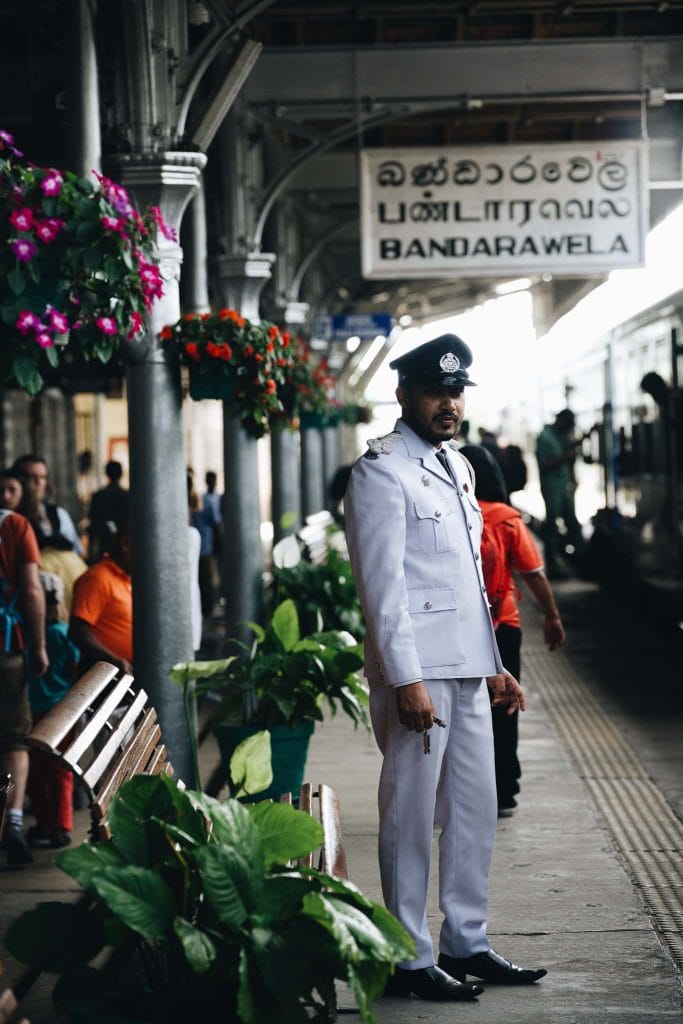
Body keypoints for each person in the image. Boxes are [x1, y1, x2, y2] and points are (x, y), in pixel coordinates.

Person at [344, 333, 546, 1002]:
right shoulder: (379, 472)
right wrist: (404, 679)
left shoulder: (457, 467)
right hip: (419, 676)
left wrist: (494, 665)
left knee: (473, 806)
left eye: (456, 392)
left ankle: (467, 940)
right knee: (408, 813)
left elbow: (462, 586)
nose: (448, 403)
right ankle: (407, 955)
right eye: (436, 391)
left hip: (466, 669)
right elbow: (384, 587)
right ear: (403, 394)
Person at [459, 444, 566, 816]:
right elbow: (533, 574)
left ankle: (463, 792)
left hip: (456, 628)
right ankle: (504, 790)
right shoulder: (506, 518)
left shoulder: (452, 513)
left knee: (460, 712)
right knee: (503, 707)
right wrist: (552, 617)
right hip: (503, 625)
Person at [0, 504, 48, 865]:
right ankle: (11, 818)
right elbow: (31, 589)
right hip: (6, 649)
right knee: (14, 739)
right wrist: (39, 645)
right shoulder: (15, 525)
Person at [26, 571, 80, 849]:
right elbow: (74, 664)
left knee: (36, 771)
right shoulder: (61, 632)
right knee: (60, 769)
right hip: (61, 709)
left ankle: (45, 823)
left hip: (34, 710)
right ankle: (62, 824)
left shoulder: (28, 635)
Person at [69, 519, 133, 676]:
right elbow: (79, 631)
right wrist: (113, 660)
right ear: (125, 545)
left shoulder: (124, 578)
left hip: (121, 673)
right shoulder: (98, 578)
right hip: (101, 674)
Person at [535, 410, 585, 579]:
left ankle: (581, 561)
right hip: (551, 487)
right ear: (562, 421)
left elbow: (568, 450)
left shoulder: (559, 436)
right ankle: (553, 565)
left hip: (563, 486)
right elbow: (543, 463)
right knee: (552, 525)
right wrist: (564, 457)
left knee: (573, 523)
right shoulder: (545, 437)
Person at [13, 453, 84, 556]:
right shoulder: (10, 515)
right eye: (32, 477)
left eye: (42, 477)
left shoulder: (59, 514)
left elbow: (77, 551)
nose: (38, 482)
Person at [88, 460, 130, 563]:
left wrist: (91, 552)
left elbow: (93, 524)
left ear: (106, 473)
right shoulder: (127, 496)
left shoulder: (98, 496)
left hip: (103, 544)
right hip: (122, 547)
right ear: (121, 474)